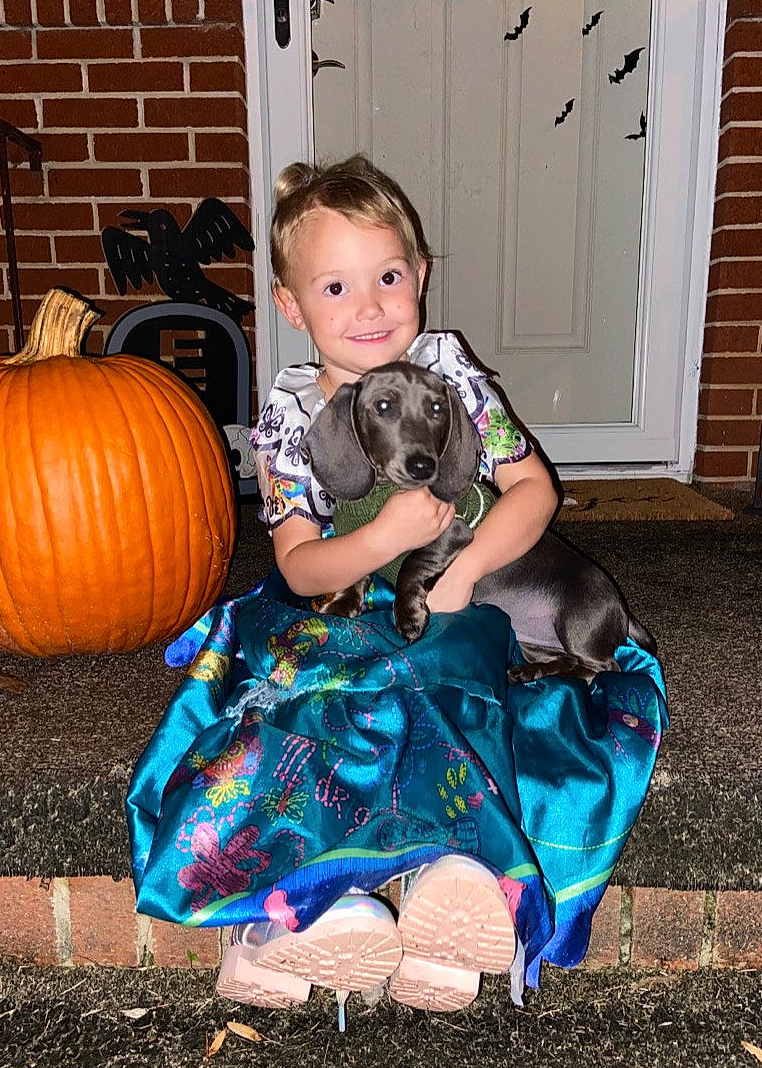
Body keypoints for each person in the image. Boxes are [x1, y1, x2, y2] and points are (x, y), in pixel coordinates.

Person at [215, 153, 559, 1016]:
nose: (368, 307)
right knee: (307, 711)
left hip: (447, 599)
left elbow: (531, 490)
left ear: (421, 276)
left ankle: (456, 885)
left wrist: (464, 572)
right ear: (290, 306)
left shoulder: (450, 381)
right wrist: (380, 539)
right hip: (338, 604)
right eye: (335, 288)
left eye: (388, 277)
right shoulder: (289, 420)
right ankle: (304, 908)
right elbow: (299, 564)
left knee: (452, 683)